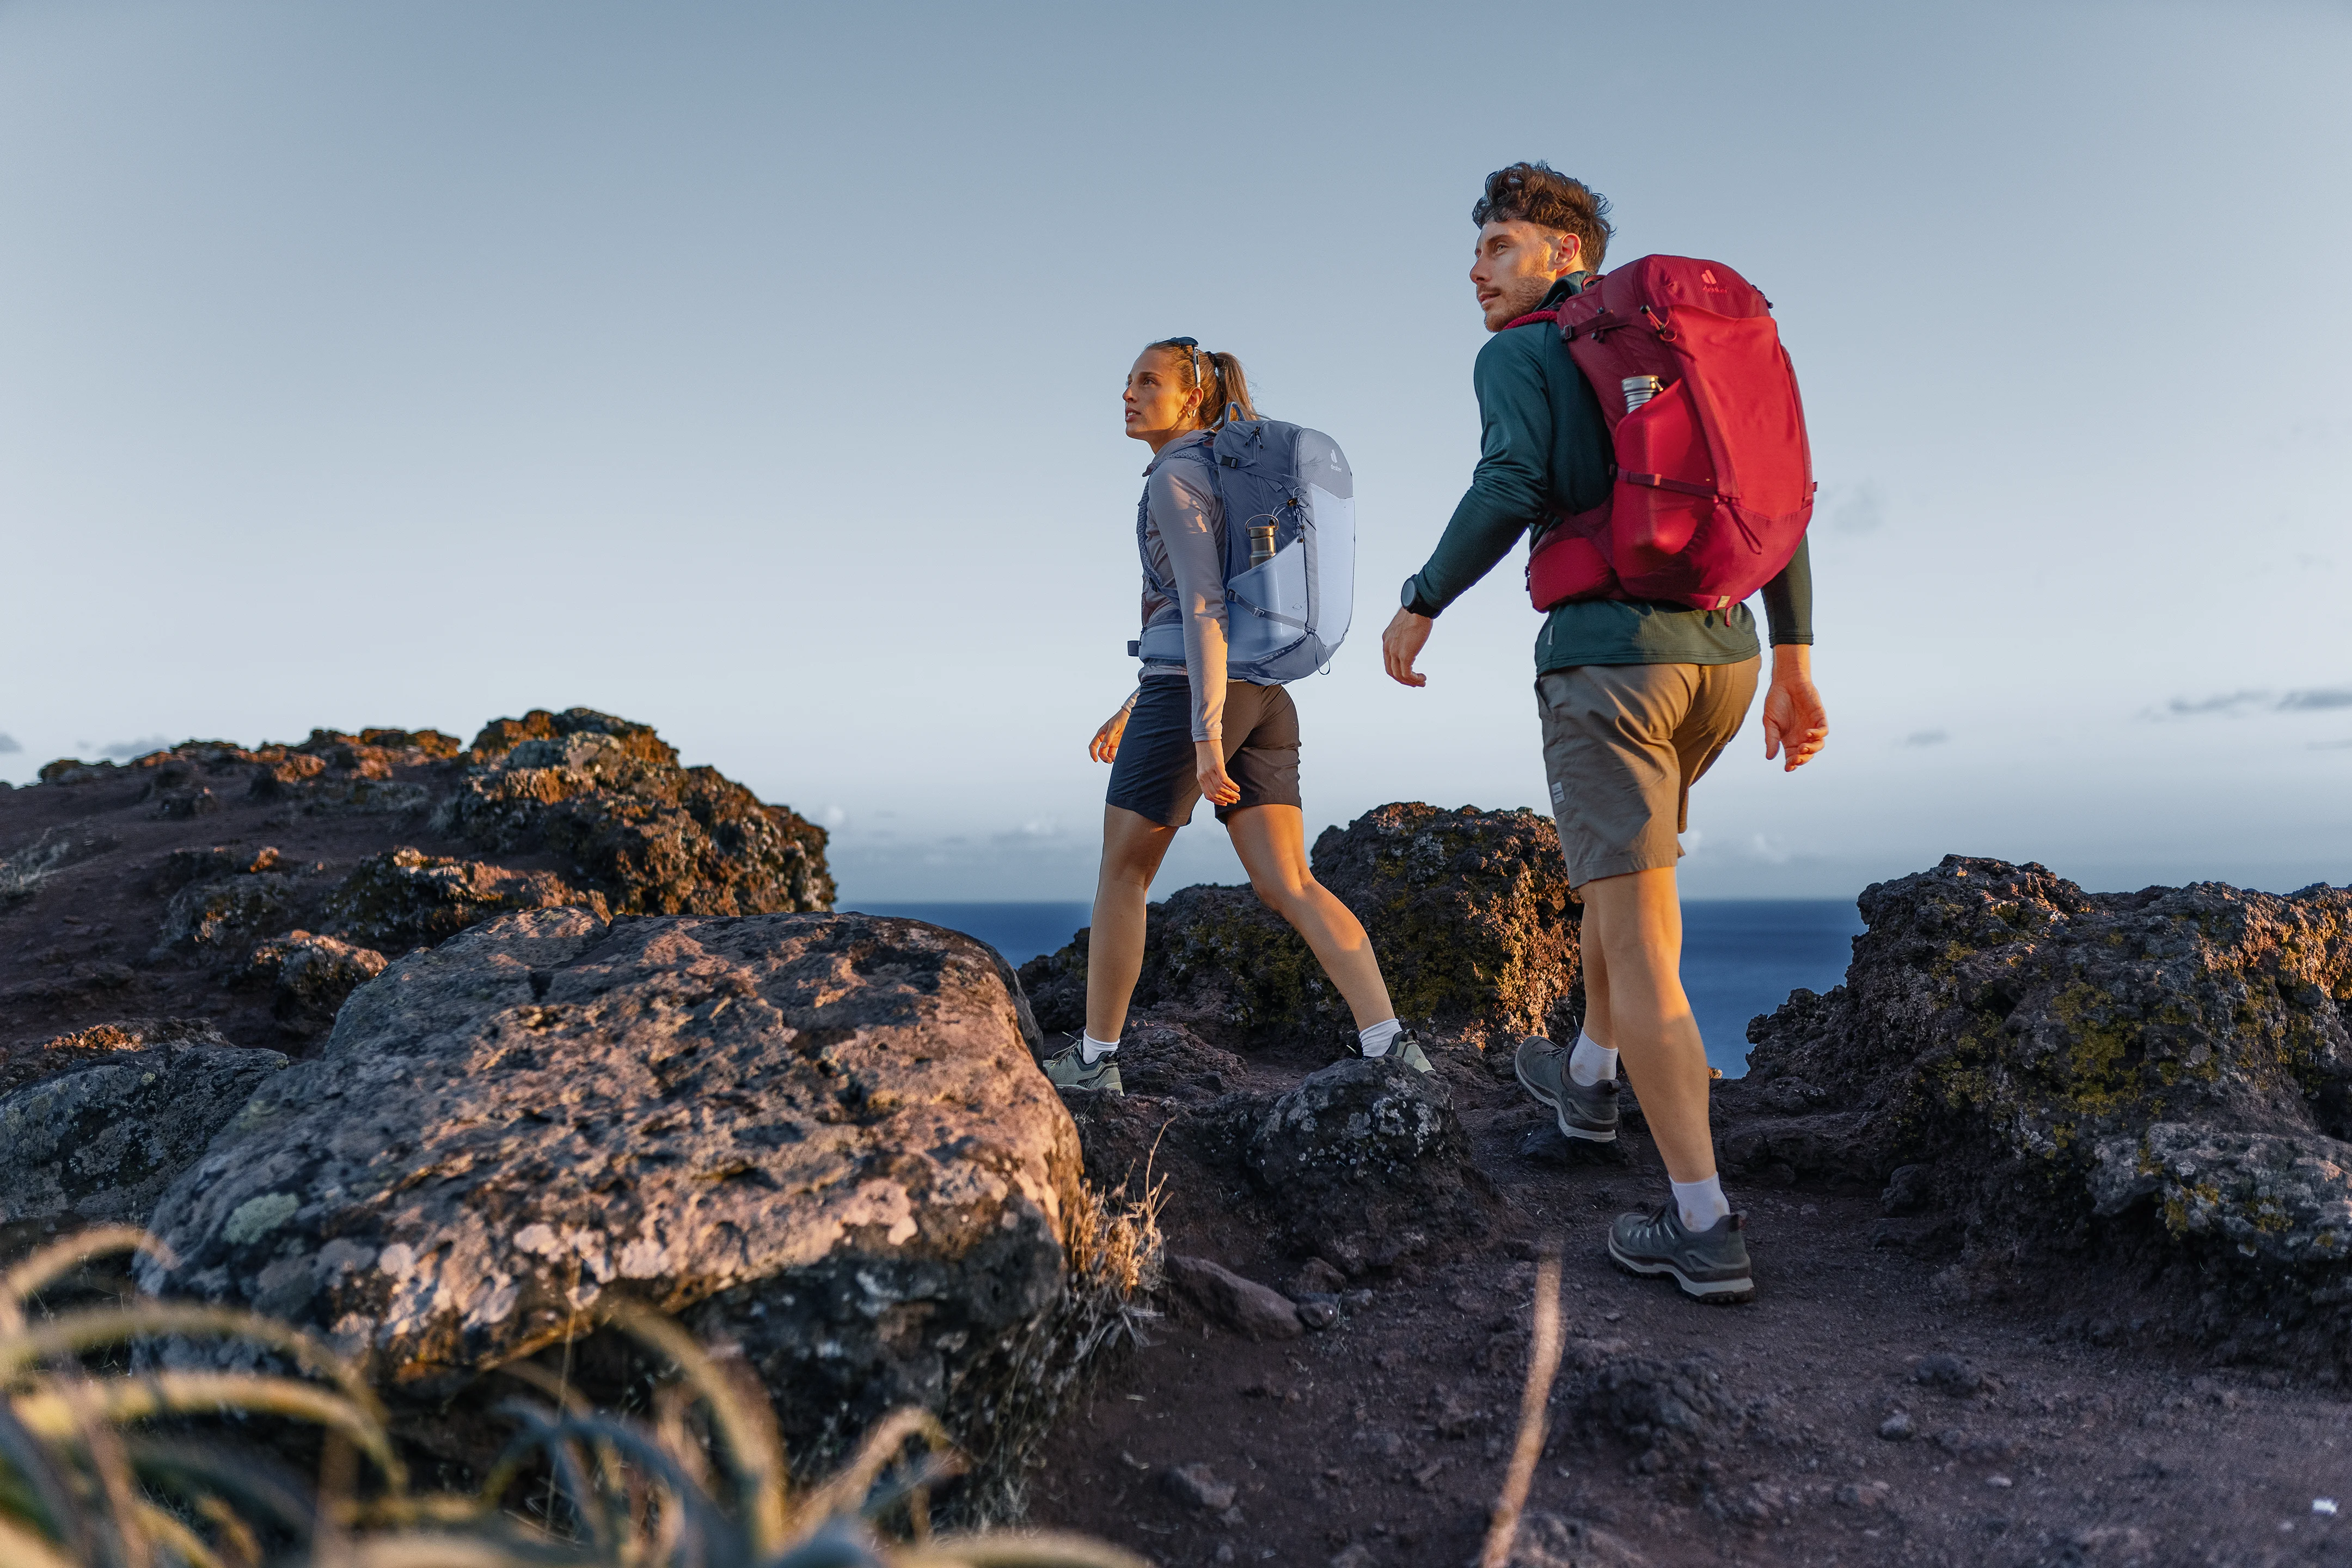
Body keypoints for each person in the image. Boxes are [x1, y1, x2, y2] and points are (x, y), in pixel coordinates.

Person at [1380, 164, 1829, 1302]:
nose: (1476, 268)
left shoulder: (1523, 353)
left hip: (1611, 665)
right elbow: (1778, 497)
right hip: (1720, 664)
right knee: (1625, 886)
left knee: (1643, 940)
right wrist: (1797, 661)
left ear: (1564, 253)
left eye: (1499, 244)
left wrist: (1423, 596)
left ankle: (1704, 1223)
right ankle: (1586, 1078)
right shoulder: (1677, 354)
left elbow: (1510, 480)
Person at [1040, 338, 1430, 1094]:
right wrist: (1135, 704)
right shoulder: (1223, 472)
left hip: (1199, 695)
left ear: (1192, 400)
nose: (1129, 394)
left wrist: (1203, 730)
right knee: (1292, 883)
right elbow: (1218, 607)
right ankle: (1391, 1045)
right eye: (1127, 381)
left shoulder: (1177, 476)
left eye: (1148, 382)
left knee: (1122, 876)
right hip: (1266, 696)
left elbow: (1204, 606)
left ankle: (1092, 1063)